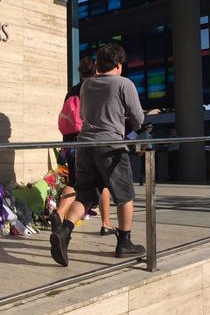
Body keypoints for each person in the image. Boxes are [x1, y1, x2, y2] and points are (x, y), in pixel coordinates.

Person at [49, 43, 145, 267]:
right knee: (125, 195)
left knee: (85, 195)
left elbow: (83, 115)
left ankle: (65, 232)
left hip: (85, 146)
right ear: (119, 64)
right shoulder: (124, 84)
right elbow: (138, 118)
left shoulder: (86, 85)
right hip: (111, 145)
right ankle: (124, 242)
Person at [52, 57, 115, 236]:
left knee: (73, 181)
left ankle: (59, 212)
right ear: (96, 70)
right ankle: (106, 223)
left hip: (70, 141)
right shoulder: (95, 88)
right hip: (89, 141)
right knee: (102, 183)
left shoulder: (72, 91)